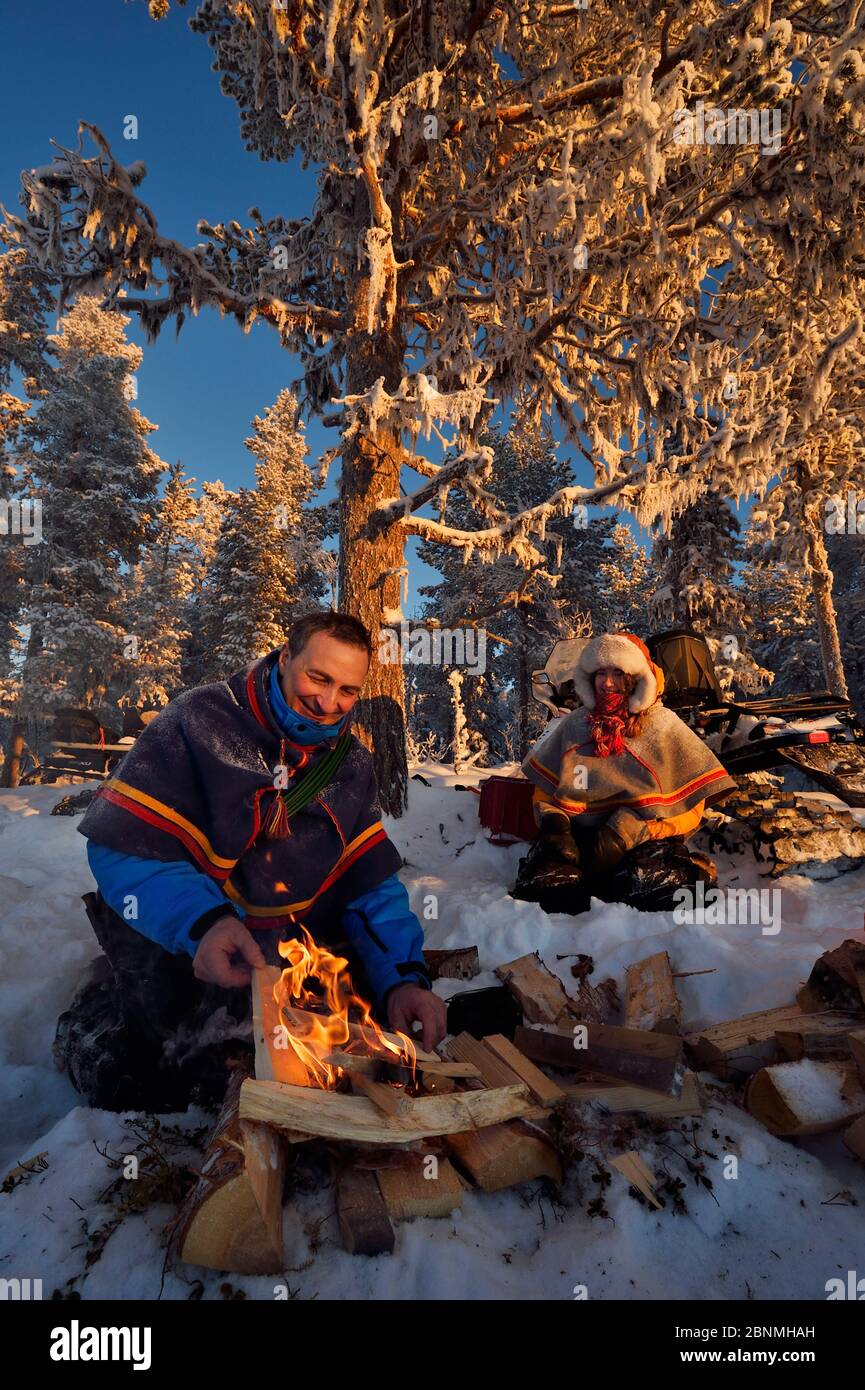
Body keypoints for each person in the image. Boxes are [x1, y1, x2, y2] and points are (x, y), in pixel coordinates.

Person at [56, 612, 447, 1111]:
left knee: (343, 1044)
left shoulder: (350, 765)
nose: (329, 704)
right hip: (181, 934)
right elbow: (122, 848)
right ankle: (94, 1004)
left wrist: (404, 979)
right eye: (318, 677)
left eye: (348, 690)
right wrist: (203, 924)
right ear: (286, 658)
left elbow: (367, 884)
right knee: (148, 1079)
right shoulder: (198, 722)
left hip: (281, 949)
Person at [514, 632, 737, 914]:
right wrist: (555, 826)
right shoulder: (574, 724)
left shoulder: (664, 726)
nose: (607, 683)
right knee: (544, 884)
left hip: (640, 843)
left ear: (636, 677)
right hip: (579, 840)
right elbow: (545, 789)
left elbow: (691, 809)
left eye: (618, 673)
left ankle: (695, 876)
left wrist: (630, 832)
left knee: (653, 886)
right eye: (600, 673)